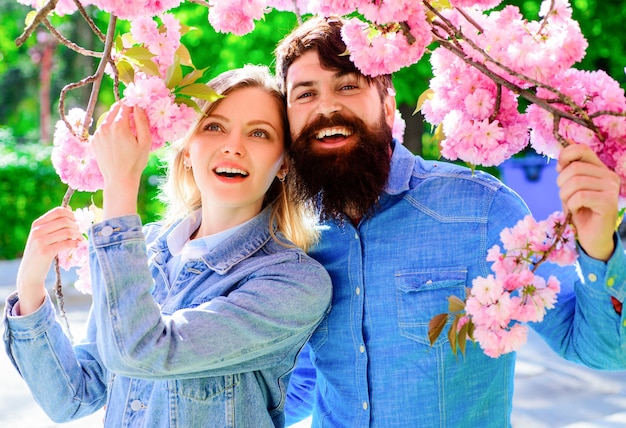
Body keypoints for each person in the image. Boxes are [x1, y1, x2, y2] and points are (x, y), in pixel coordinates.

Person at [274, 16, 626, 427]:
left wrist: (599, 244)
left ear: (388, 106)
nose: (326, 106)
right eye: (305, 94)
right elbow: (305, 385)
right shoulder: (296, 235)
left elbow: (599, 348)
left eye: (347, 85)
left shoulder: (483, 210)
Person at [3, 65, 332, 428]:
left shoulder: (294, 283)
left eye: (259, 133)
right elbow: (74, 397)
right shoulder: (145, 248)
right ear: (188, 148)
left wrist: (121, 185)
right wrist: (30, 287)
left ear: (284, 162)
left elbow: (144, 352)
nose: (233, 146)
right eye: (214, 126)